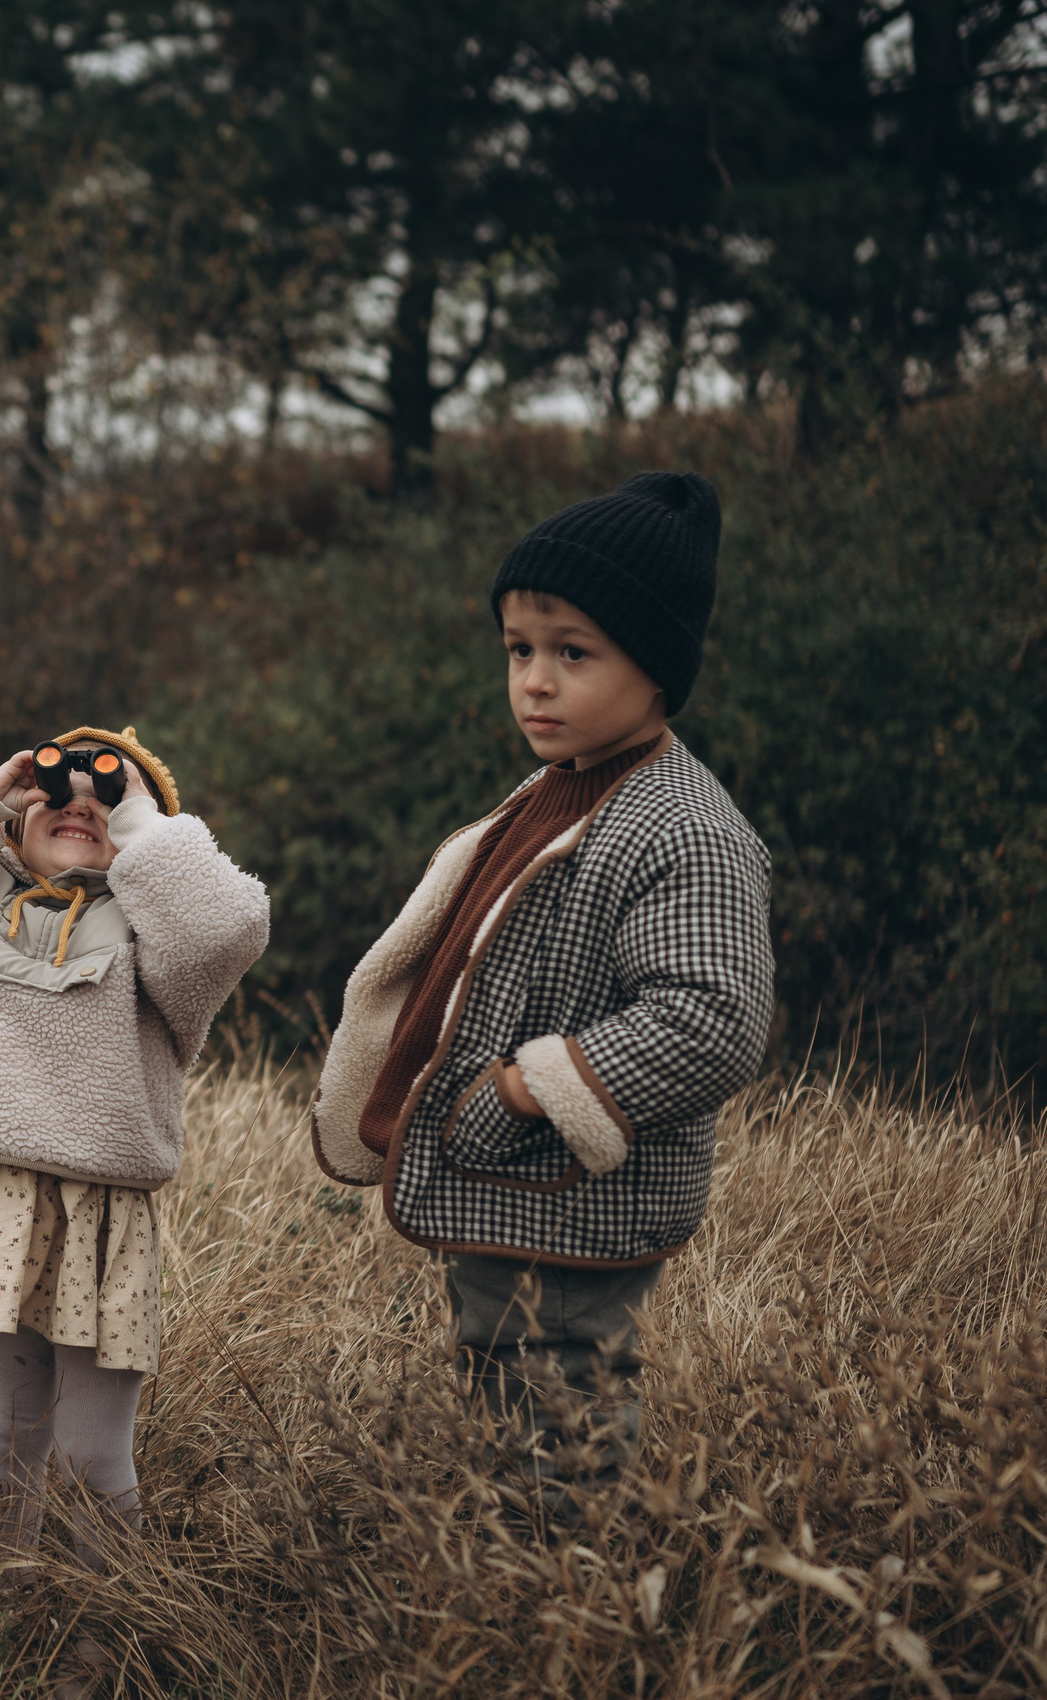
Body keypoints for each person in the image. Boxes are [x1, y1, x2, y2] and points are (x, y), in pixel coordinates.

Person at [313, 472, 775, 1528]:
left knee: (558, 1381)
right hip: (512, 1178)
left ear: (654, 664)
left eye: (573, 651)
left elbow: (711, 1016)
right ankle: (521, 1559)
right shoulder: (565, 782)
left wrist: (530, 1086)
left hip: (573, 1181)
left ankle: (574, 1579)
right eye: (519, 649)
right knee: (498, 1363)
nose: (535, 680)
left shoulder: (681, 827)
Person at [0, 728, 268, 1595]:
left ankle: (96, 1634)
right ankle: (1, 1623)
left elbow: (228, 922)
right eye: (59, 789)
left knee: (88, 1452)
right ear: (10, 823)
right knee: (8, 1432)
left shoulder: (162, 947)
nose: (81, 802)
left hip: (103, 1217)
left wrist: (144, 826)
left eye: (108, 798)